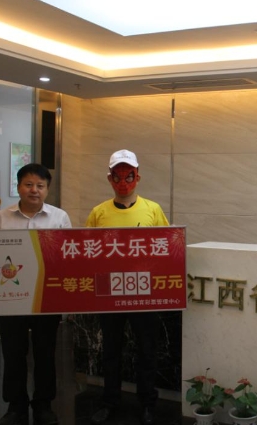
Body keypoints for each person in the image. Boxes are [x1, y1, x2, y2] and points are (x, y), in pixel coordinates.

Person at [88, 149, 169, 425]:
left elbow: (166, 249)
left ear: (138, 177)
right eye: (117, 176)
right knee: (111, 350)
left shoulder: (153, 210)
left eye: (129, 176)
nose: (123, 182)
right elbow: (86, 253)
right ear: (109, 178)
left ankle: (147, 403)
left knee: (147, 349)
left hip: (143, 292)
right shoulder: (98, 213)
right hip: (108, 292)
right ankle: (110, 401)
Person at [0, 163, 72, 425]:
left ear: (47, 189)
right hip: (10, 298)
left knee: (45, 353)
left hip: (46, 296)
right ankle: (15, 406)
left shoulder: (59, 218)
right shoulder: (1, 218)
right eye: (28, 184)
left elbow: (67, 258)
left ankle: (43, 405)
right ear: (18, 187)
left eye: (40, 185)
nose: (34, 190)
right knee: (13, 353)